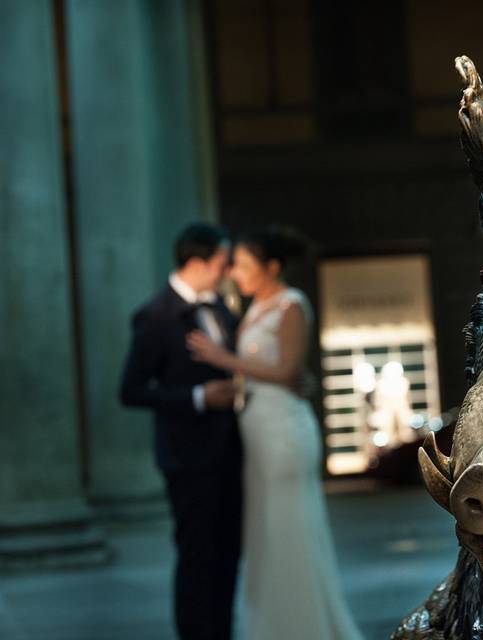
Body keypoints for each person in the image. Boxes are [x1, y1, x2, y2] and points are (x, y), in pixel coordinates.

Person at [186, 227, 362, 640]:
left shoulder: (291, 304)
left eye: (246, 266)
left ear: (272, 267)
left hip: (283, 431)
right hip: (257, 433)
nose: (236, 274)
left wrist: (223, 359)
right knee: (266, 530)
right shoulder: (249, 308)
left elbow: (285, 371)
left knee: (290, 529)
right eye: (235, 266)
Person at [119, 223, 242, 640]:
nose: (228, 271)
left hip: (232, 452)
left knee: (228, 552)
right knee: (196, 556)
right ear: (196, 262)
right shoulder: (154, 316)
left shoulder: (223, 309)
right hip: (187, 456)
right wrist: (198, 397)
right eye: (222, 262)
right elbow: (130, 391)